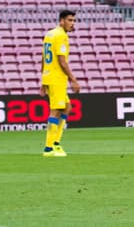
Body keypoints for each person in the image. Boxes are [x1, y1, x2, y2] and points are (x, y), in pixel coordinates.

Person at [41, 9, 79, 157]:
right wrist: (73, 80)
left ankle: (56, 143)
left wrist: (43, 80)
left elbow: (44, 57)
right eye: (69, 20)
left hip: (50, 76)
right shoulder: (61, 36)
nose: (72, 23)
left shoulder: (49, 34)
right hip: (57, 78)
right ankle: (49, 148)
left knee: (67, 107)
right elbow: (62, 62)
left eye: (74, 21)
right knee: (56, 110)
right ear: (61, 21)